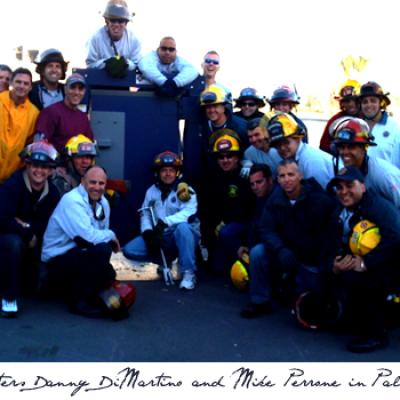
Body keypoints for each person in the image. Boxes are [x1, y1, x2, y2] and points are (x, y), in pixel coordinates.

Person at [242, 159, 335, 318]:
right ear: (278, 179)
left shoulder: (319, 199)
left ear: (300, 176)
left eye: (291, 174)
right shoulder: (275, 198)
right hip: (285, 250)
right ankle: (259, 301)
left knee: (312, 304)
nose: (287, 179)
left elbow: (329, 233)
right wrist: (280, 249)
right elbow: (266, 228)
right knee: (257, 252)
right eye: (282, 176)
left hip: (310, 256)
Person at [326, 166, 400, 352]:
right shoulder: (338, 210)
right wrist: (334, 264)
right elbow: (328, 242)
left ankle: (376, 335)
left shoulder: (378, 207)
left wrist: (365, 263)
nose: (344, 192)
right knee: (333, 273)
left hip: (389, 262)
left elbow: (395, 238)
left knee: (366, 280)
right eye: (339, 188)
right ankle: (351, 319)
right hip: (357, 258)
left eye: (349, 185)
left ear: (363, 187)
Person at [41, 166, 125, 319]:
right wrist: (112, 235)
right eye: (92, 182)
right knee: (102, 252)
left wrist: (107, 238)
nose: (97, 187)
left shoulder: (104, 203)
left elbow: (100, 237)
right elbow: (87, 238)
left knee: (108, 272)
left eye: (101, 183)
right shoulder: (72, 201)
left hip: (76, 253)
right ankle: (77, 303)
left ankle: (82, 291)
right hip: (54, 263)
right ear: (82, 181)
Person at [123, 151, 200, 290]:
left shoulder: (185, 190)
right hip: (160, 234)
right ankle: (165, 261)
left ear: (177, 172)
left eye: (171, 170)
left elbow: (189, 213)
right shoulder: (151, 191)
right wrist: (147, 232)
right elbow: (145, 213)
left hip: (181, 234)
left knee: (183, 228)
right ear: (157, 173)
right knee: (130, 250)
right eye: (164, 170)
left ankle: (189, 273)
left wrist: (165, 222)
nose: (168, 174)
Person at [0, 141, 60, 317]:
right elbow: (2, 218)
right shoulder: (13, 185)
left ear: (50, 170)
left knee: (37, 287)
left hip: (35, 241)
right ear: (27, 165)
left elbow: (52, 224)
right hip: (8, 239)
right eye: (34, 165)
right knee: (14, 243)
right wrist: (27, 232)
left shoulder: (53, 193)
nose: (39, 171)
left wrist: (26, 226)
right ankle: (9, 298)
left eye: (44, 167)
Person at [204, 129, 255, 275]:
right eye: (221, 157)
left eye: (230, 156)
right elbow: (209, 207)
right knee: (217, 269)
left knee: (226, 233)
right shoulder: (212, 177)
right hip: (221, 226)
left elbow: (248, 209)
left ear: (238, 157)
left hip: (242, 225)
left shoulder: (245, 176)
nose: (225, 160)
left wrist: (225, 223)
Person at [331, 117, 400, 208]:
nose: (345, 152)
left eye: (351, 147)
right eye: (341, 147)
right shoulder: (343, 170)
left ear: (364, 148)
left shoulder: (384, 175)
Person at [235, 164, 275, 313]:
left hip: (283, 245)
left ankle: (260, 301)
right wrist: (246, 244)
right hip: (270, 242)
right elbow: (256, 225)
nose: (255, 187)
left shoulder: (276, 197)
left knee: (257, 252)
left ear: (270, 180)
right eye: (252, 184)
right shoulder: (259, 198)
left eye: (259, 182)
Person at [267, 112, 336, 189]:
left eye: (286, 142)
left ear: (298, 138)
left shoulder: (310, 161)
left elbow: (322, 196)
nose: (282, 148)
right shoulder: (298, 157)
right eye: (278, 145)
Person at [34, 73, 94, 153]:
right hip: (55, 163)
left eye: (80, 89)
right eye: (72, 88)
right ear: (65, 89)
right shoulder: (51, 112)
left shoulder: (83, 117)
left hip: (76, 163)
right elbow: (38, 145)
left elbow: (90, 145)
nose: (76, 92)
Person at [0, 67, 39, 183]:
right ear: (11, 83)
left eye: (26, 83)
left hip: (12, 178)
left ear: (30, 87)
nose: (22, 86)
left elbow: (29, 144)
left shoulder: (34, 113)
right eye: (18, 82)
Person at [86, 0, 141, 78]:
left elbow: (137, 65)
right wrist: (106, 63)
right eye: (113, 20)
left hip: (124, 83)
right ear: (107, 21)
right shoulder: (95, 37)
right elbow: (90, 64)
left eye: (120, 21)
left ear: (126, 23)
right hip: (98, 83)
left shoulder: (134, 40)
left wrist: (125, 63)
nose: (116, 24)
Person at [358, 81, 400, 169]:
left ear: (381, 103)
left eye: (373, 101)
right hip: (358, 182)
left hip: (389, 182)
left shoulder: (394, 128)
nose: (369, 105)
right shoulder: (356, 126)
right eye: (365, 102)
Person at [319, 79, 360, 154]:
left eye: (354, 100)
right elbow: (323, 148)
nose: (350, 104)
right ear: (342, 103)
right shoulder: (335, 120)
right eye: (346, 101)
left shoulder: (369, 119)